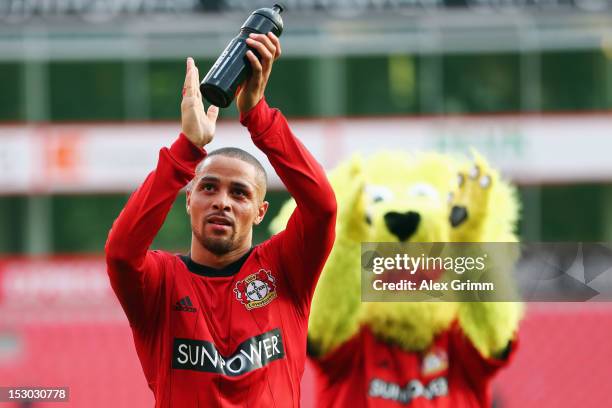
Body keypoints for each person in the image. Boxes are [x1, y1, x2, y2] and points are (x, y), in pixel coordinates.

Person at [105, 32, 337, 407]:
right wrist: (186, 150)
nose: (222, 203)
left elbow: (323, 207)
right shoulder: (160, 284)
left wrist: (258, 116)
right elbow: (120, 253)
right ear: (189, 199)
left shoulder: (285, 269)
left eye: (240, 193)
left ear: (261, 212)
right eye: (209, 188)